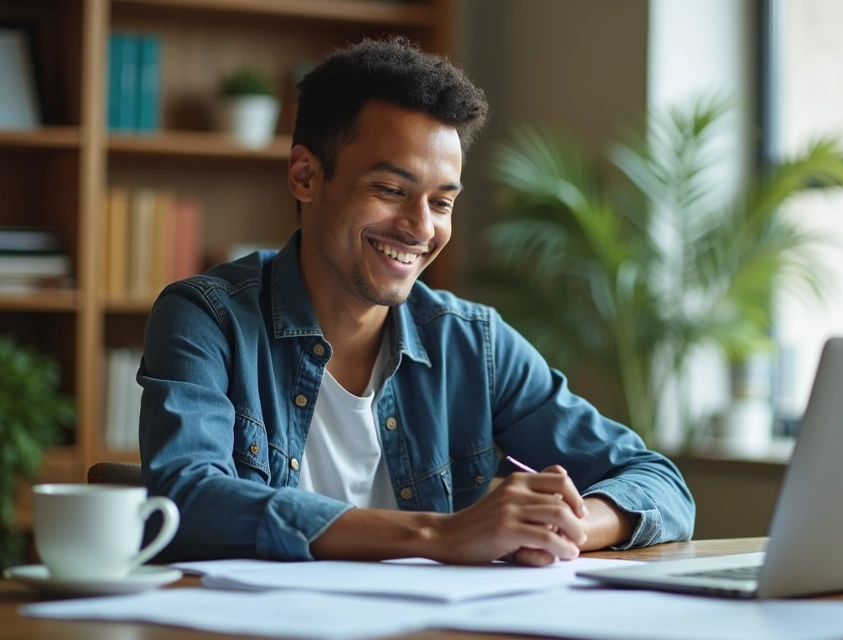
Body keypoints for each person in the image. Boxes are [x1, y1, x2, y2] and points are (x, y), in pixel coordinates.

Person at [138, 37, 694, 566]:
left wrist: (562, 525)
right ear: (306, 175)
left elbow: (658, 482)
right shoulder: (206, 318)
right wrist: (443, 533)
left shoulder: (473, 343)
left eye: (442, 202)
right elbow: (189, 500)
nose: (420, 228)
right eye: (391, 191)